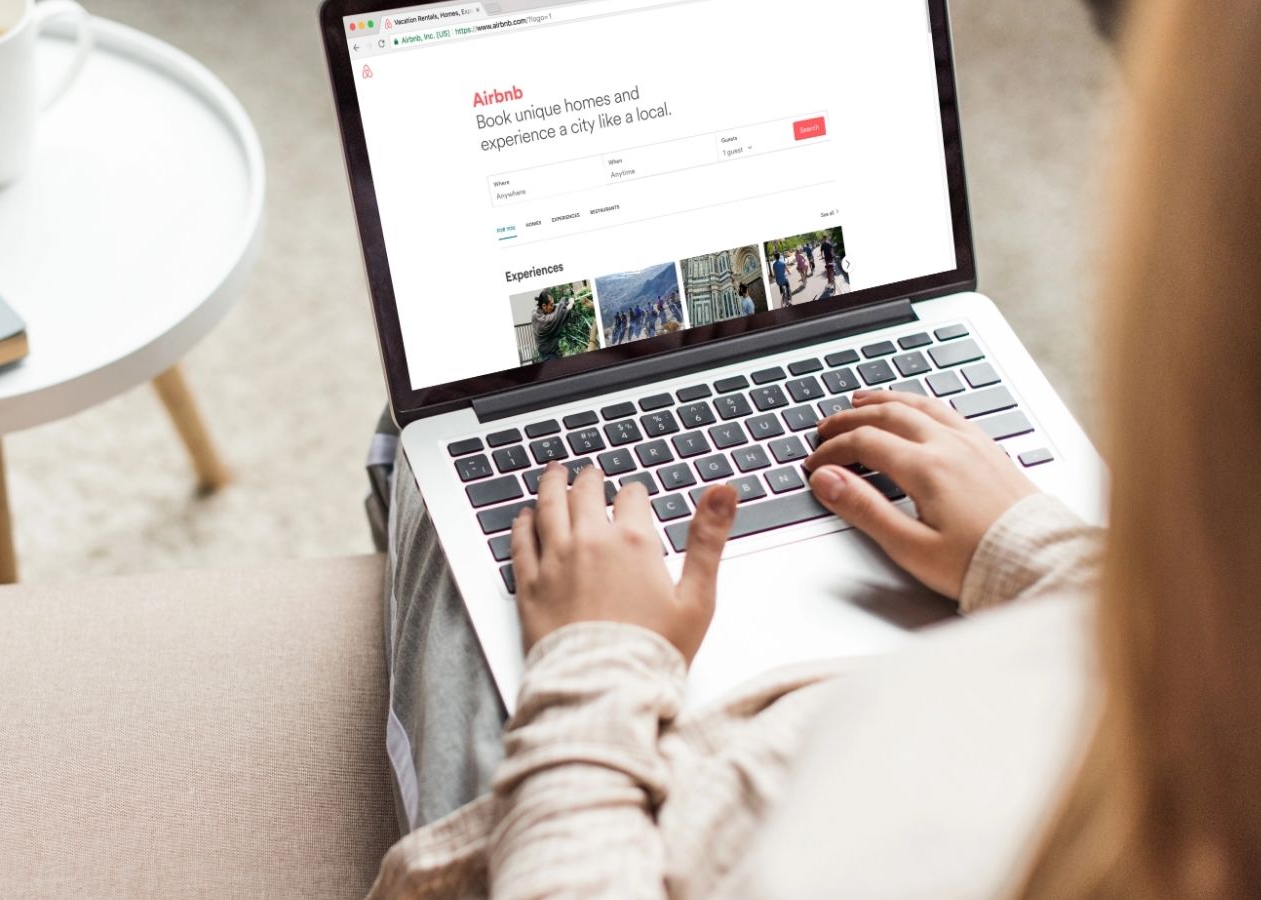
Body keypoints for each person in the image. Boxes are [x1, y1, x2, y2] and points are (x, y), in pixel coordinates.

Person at [369, 0, 1261, 895]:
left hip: (635, 812)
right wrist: (1046, 560)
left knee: (427, 441)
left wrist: (593, 665)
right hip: (959, 663)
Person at [530, 289, 571, 362]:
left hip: (551, 354)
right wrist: (569, 304)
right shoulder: (541, 321)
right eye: (551, 305)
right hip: (549, 357)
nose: (553, 307)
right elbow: (556, 317)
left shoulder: (538, 310)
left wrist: (563, 304)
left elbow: (556, 307)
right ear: (544, 306)